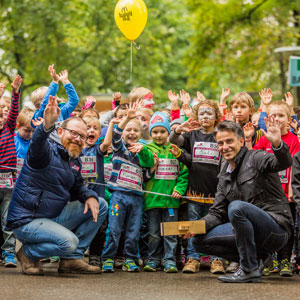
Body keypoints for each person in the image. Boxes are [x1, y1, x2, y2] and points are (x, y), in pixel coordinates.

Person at [6, 96, 108, 275]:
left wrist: (89, 196)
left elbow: (77, 187)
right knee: (68, 242)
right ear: (60, 131)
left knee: (101, 204)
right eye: (73, 133)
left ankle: (71, 260)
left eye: (82, 136)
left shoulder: (74, 160)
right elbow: (37, 143)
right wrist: (46, 125)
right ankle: (27, 253)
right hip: (27, 220)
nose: (77, 139)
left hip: (51, 216)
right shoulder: (45, 150)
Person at [186, 119, 294, 283]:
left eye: (229, 141)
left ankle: (248, 269)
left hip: (276, 228)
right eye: (220, 143)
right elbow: (216, 213)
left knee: (237, 207)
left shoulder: (256, 157)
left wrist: (278, 144)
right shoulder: (224, 175)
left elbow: (283, 162)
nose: (225, 147)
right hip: (249, 230)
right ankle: (257, 259)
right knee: (198, 240)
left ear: (241, 141)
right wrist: (195, 227)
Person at [170, 99, 225, 274]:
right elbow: (174, 141)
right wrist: (177, 130)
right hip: (194, 192)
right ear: (197, 117)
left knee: (216, 226)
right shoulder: (191, 136)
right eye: (202, 113)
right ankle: (193, 258)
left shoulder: (221, 136)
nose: (205, 116)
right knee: (193, 225)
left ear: (216, 116)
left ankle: (217, 259)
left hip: (216, 193)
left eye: (209, 113)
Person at [132, 112, 189, 273]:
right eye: (155, 132)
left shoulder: (175, 150)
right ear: (150, 133)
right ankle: (153, 259)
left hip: (171, 202)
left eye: (162, 131)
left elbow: (183, 173)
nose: (158, 135)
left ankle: (169, 260)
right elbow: (147, 161)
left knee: (171, 234)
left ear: (168, 133)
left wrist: (179, 189)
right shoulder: (149, 148)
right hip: (152, 201)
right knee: (154, 234)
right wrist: (142, 150)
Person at [101, 102, 154, 273]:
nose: (131, 133)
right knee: (114, 230)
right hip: (119, 196)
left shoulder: (142, 151)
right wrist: (127, 118)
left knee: (134, 231)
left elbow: (145, 175)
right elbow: (115, 135)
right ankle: (108, 258)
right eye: (128, 130)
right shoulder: (119, 149)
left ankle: (130, 258)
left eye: (135, 130)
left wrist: (150, 168)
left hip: (137, 198)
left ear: (141, 134)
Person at [0, 75, 22, 268]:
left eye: (1, 116)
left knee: (7, 218)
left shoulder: (8, 127)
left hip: (8, 181)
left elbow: (13, 111)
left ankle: (8, 253)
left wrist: (14, 92)